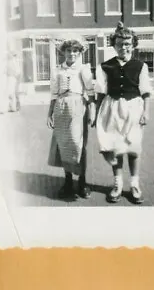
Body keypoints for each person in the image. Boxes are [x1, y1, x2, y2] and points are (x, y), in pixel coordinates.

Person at [93, 22, 152, 204]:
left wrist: (146, 112)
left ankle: (134, 184)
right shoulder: (105, 66)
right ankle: (117, 184)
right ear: (114, 45)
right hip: (112, 109)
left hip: (134, 108)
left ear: (133, 45)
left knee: (133, 148)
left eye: (127, 44)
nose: (123, 47)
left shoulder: (140, 66)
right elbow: (101, 92)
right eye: (120, 44)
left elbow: (146, 91)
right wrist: (95, 114)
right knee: (116, 147)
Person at [47, 36, 96, 200]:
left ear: (80, 52)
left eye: (75, 50)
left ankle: (82, 182)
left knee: (78, 144)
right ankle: (68, 181)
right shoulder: (58, 70)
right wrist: (50, 113)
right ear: (63, 52)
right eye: (69, 50)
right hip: (61, 108)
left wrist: (92, 111)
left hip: (78, 108)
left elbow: (90, 92)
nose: (72, 54)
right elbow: (54, 93)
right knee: (64, 144)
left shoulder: (83, 69)